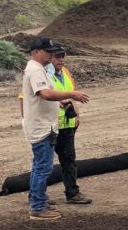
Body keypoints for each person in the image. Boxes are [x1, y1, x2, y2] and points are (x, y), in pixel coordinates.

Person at [21, 37, 89, 220]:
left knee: (40, 166)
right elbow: (44, 93)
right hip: (43, 126)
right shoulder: (36, 70)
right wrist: (72, 94)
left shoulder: (39, 69)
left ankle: (38, 200)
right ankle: (37, 207)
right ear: (36, 52)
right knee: (43, 167)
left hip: (47, 124)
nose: (52, 55)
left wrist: (60, 102)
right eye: (48, 52)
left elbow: (42, 96)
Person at [48, 47, 91, 205]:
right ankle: (37, 195)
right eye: (58, 56)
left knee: (69, 160)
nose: (61, 60)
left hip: (67, 124)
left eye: (63, 56)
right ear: (49, 57)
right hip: (50, 125)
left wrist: (76, 115)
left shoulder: (65, 72)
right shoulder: (42, 74)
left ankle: (72, 193)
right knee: (44, 163)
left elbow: (72, 94)